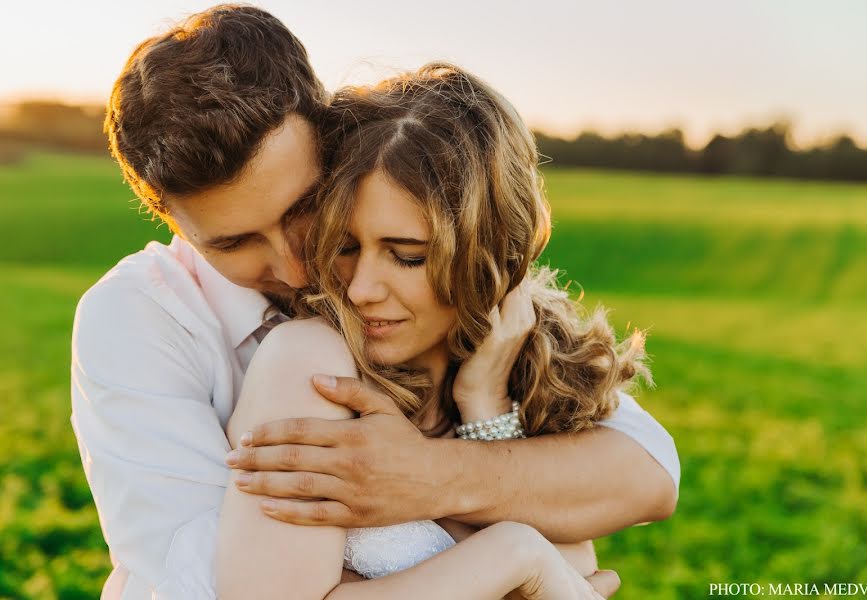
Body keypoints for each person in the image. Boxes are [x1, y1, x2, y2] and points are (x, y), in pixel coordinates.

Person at [70, 5, 679, 599]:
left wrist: (453, 444)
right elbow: (201, 587)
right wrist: (513, 557)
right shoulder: (138, 320)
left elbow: (645, 473)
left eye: (303, 209)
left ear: (332, 144)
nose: (293, 266)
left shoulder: (436, 285)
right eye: (234, 243)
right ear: (169, 220)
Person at [216, 62, 663, 599]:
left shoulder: (513, 375)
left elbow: (604, 537)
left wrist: (483, 403)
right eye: (346, 248)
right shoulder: (309, 363)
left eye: (406, 257)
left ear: (487, 256)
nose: (360, 290)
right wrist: (514, 554)